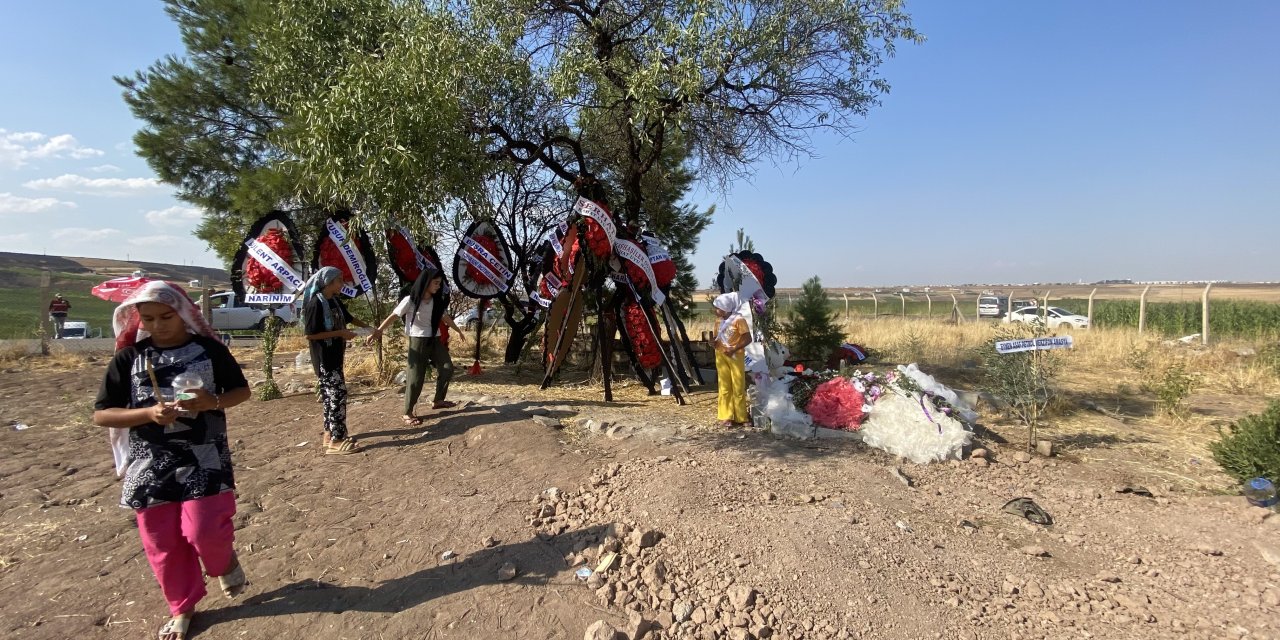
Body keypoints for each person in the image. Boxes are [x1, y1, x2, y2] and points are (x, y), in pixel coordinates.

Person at [92, 281, 251, 640]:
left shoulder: (210, 351)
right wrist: (148, 413)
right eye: (148, 318)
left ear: (183, 313)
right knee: (162, 542)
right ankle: (183, 608)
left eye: (167, 316)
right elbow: (102, 415)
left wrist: (210, 402)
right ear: (138, 319)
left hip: (204, 456)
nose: (159, 325)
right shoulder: (129, 359)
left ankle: (223, 562)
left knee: (204, 531)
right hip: (149, 463)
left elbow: (242, 392)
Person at [368, 265, 465, 425]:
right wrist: (378, 331)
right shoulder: (410, 300)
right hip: (418, 341)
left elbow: (445, 318)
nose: (438, 286)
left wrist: (458, 330)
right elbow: (394, 316)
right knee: (416, 378)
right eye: (435, 283)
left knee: (447, 368)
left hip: (434, 339)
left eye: (439, 283)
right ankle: (407, 412)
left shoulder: (436, 301)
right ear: (426, 282)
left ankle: (438, 400)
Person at [301, 267, 371, 454]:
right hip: (324, 359)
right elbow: (310, 334)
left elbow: (349, 318)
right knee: (338, 394)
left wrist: (370, 328)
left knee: (330, 396)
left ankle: (329, 434)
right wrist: (340, 333)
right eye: (339, 280)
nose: (343, 284)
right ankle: (337, 441)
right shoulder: (316, 303)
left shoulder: (335, 301)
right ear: (329, 282)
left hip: (335, 356)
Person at [713, 292, 752, 427]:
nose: (715, 310)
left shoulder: (739, 320)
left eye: (718, 307)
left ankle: (741, 416)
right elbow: (716, 338)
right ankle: (726, 415)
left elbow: (748, 338)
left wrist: (734, 349)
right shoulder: (718, 321)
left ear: (726, 308)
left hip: (735, 355)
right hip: (720, 355)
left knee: (738, 385)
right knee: (724, 386)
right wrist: (712, 343)